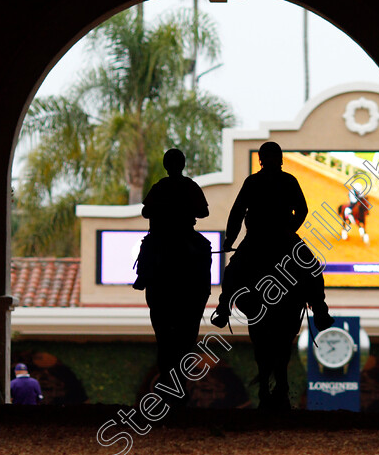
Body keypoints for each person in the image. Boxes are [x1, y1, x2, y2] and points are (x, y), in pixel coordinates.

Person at [211, 141, 334, 410]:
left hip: (255, 240)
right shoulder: (289, 179)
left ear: (262, 160)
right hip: (283, 238)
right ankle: (321, 309)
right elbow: (302, 210)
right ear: (279, 159)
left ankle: (223, 307)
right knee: (312, 268)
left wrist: (231, 238)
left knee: (233, 270)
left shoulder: (252, 182)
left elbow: (236, 212)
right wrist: (289, 229)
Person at [134, 148, 212, 405]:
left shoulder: (160, 186)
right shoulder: (189, 186)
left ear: (168, 165)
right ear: (182, 164)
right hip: (184, 237)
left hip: (162, 239)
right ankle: (203, 288)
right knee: (204, 250)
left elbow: (146, 212)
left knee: (149, 249)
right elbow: (203, 213)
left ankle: (143, 276)